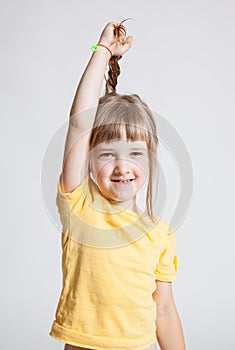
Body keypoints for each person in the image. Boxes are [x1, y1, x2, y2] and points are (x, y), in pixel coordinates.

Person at [49, 21, 186, 350]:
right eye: (108, 153)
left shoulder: (160, 233)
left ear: (150, 159)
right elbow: (81, 121)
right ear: (90, 159)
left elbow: (164, 311)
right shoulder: (79, 205)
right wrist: (103, 52)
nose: (123, 166)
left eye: (135, 153)